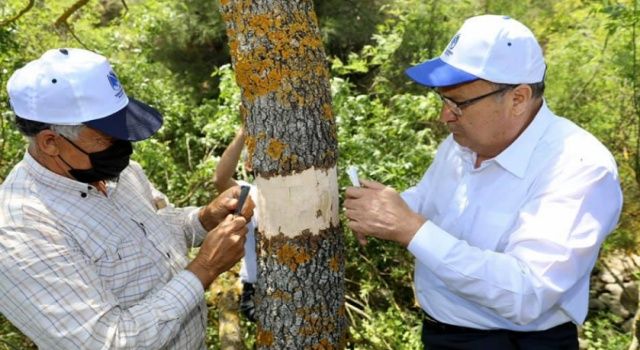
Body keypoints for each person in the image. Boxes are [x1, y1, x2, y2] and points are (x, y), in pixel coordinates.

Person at [344, 15, 623, 349]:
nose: (444, 116)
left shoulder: (578, 166)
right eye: (443, 99)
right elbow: (433, 199)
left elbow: (528, 292)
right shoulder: (467, 140)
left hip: (515, 343)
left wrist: (410, 229)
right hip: (441, 334)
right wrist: (386, 209)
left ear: (518, 98)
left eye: (459, 103)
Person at [0, 48, 253, 349]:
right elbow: (108, 342)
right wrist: (205, 268)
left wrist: (203, 218)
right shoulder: (22, 230)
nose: (123, 146)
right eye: (107, 138)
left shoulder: (114, 170)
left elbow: (155, 232)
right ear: (51, 142)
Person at [212, 127, 258, 322]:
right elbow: (220, 179)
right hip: (255, 290)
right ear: (248, 165)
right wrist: (243, 132)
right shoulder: (248, 194)